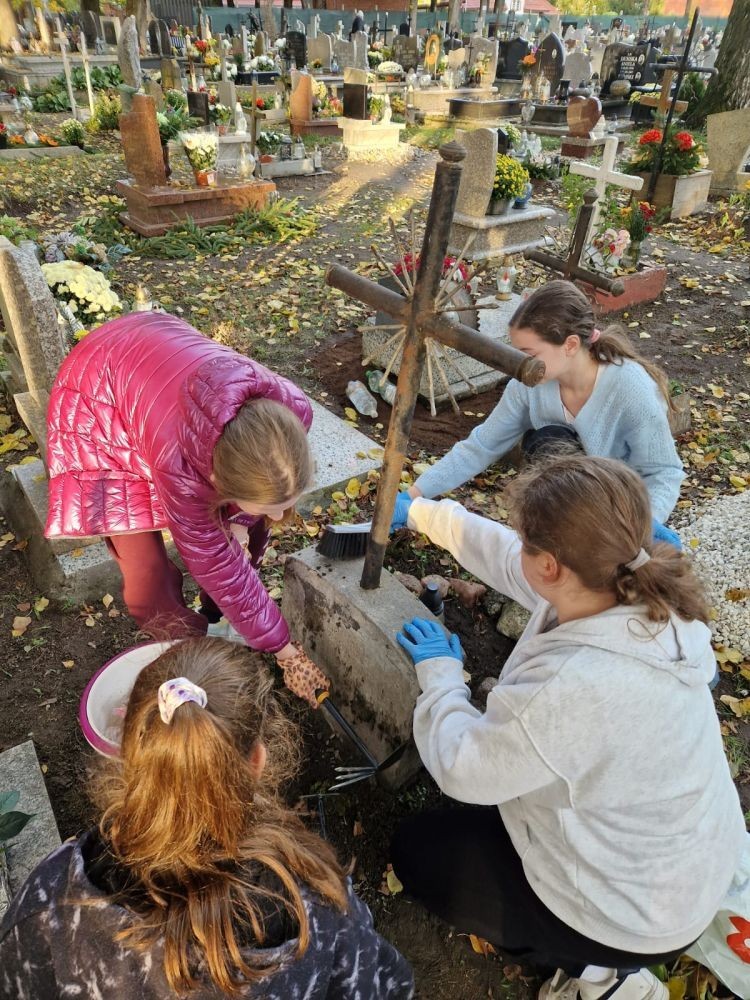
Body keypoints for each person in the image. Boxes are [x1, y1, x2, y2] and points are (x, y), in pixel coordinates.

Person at [389, 456, 745, 1000]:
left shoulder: (571, 688)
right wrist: (422, 514)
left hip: (631, 916)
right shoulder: (632, 588)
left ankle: (599, 972)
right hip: (686, 866)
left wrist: (441, 679)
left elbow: (463, 768)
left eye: (526, 539)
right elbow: (510, 559)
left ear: (552, 566)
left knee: (416, 851)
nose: (517, 546)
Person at [0, 638, 415, 999]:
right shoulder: (320, 913)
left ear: (130, 754)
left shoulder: (51, 898)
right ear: (257, 761)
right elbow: (383, 984)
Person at [45, 313, 328, 706]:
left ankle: (217, 617)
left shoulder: (291, 412)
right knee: (147, 575)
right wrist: (285, 651)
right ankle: (184, 650)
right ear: (217, 478)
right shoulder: (179, 468)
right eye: (272, 507)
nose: (282, 517)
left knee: (252, 528)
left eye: (288, 504)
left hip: (157, 356)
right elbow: (218, 565)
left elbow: (249, 523)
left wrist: (245, 519)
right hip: (99, 394)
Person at [409, 281, 685, 537]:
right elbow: (481, 446)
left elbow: (663, 472)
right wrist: (415, 494)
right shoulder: (529, 384)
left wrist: (644, 529)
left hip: (620, 508)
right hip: (568, 497)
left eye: (529, 355)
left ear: (570, 345)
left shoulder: (630, 388)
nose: (520, 364)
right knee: (548, 441)